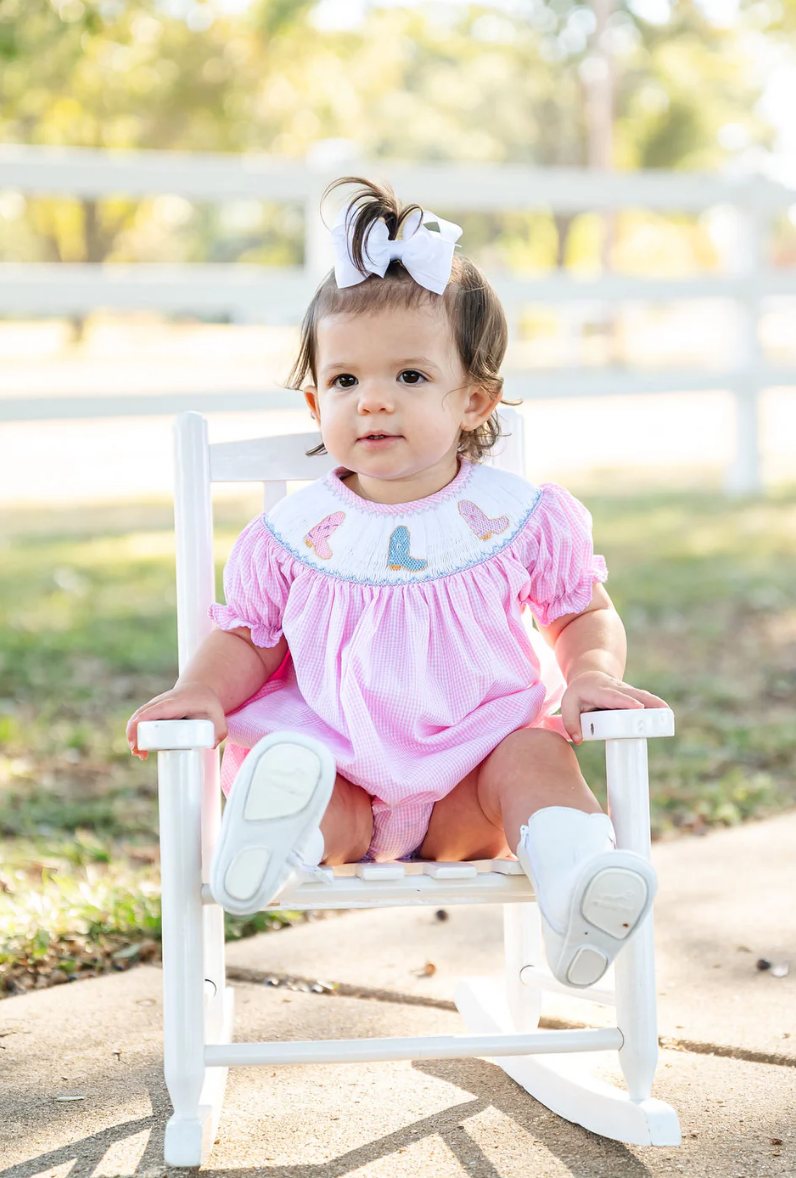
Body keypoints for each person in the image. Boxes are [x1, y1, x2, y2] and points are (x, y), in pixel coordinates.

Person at [126, 176, 669, 990]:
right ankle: (273, 848)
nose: (372, 400)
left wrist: (589, 673)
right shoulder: (290, 538)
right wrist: (201, 691)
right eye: (345, 382)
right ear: (316, 403)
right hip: (340, 765)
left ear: (474, 400)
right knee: (290, 763)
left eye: (409, 377)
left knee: (535, 758)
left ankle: (577, 882)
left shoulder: (517, 516)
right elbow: (247, 634)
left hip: (473, 776)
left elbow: (578, 608)